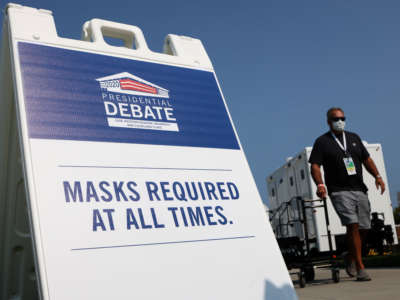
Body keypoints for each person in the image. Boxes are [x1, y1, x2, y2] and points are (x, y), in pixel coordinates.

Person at [309, 107, 385, 281]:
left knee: (365, 227)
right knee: (352, 225)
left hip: (359, 189)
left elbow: (367, 159)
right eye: (336, 119)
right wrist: (320, 184)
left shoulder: (354, 138)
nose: (340, 121)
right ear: (329, 122)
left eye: (343, 118)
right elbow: (315, 165)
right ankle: (360, 268)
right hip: (339, 190)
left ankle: (350, 256)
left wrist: (378, 176)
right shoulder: (322, 142)